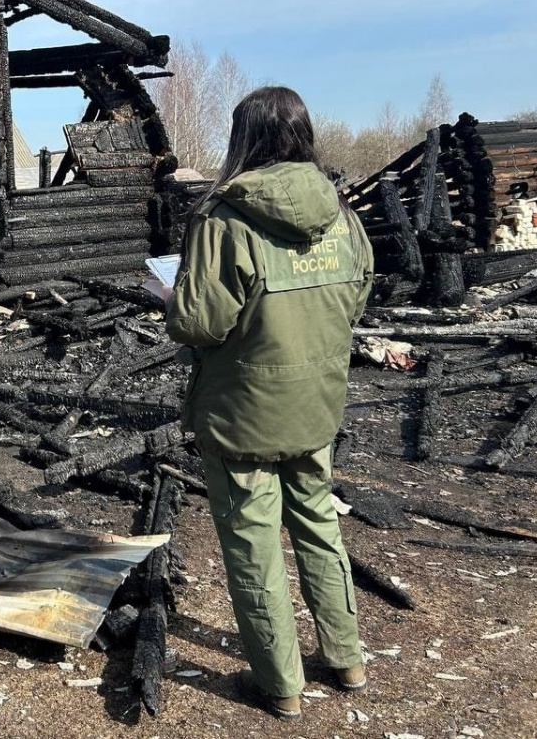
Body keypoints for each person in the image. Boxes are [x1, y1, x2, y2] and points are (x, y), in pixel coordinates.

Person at [163, 86, 374, 721]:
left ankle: (280, 684)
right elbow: (356, 297)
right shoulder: (343, 215)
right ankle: (347, 657)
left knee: (254, 540)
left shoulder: (224, 219)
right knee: (319, 523)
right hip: (316, 404)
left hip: (241, 412)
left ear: (242, 139)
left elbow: (199, 323)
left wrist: (171, 297)